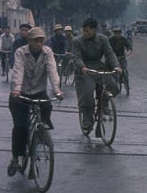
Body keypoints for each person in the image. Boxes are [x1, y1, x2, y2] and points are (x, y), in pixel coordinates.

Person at [8, 27, 63, 170]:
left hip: (39, 91)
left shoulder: (47, 52)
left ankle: (41, 132)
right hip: (20, 93)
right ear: (29, 41)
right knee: (21, 126)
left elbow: (52, 70)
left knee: (47, 106)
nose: (39, 44)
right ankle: (16, 157)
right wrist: (16, 89)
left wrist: (57, 90)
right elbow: (18, 71)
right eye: (35, 41)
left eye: (41, 40)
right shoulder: (20, 52)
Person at [72, 18, 121, 134]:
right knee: (88, 92)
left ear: (94, 30)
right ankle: (87, 117)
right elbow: (76, 57)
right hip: (85, 69)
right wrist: (82, 66)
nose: (85, 33)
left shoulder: (103, 39)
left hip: (98, 67)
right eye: (84, 31)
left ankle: (104, 103)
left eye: (88, 31)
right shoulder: (77, 41)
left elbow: (110, 53)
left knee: (111, 84)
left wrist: (116, 67)